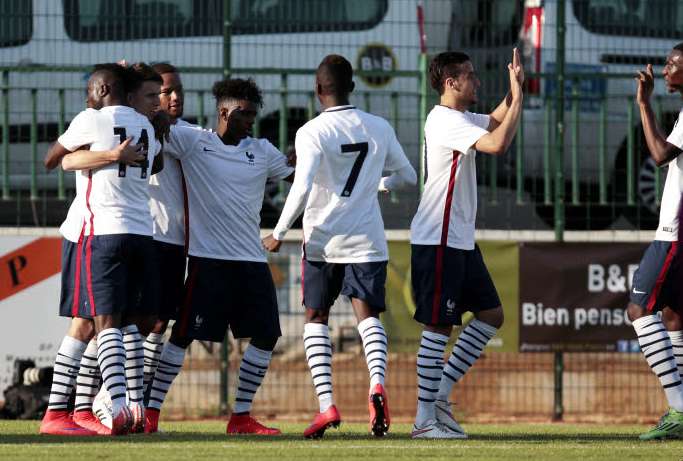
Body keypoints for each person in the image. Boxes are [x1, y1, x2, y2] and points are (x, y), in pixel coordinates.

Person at [262, 54, 417, 438]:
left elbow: (301, 185)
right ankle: (377, 384)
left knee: (316, 318)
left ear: (318, 90)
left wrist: (279, 231)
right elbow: (408, 176)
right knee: (369, 318)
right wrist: (379, 185)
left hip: (322, 242)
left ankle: (327, 406)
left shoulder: (312, 131)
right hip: (367, 240)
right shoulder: (378, 126)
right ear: (352, 87)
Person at [144, 78, 293, 436]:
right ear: (225, 112)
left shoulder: (262, 150)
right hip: (207, 260)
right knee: (181, 335)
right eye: (245, 114)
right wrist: (156, 111)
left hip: (251, 261)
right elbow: (152, 125)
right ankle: (150, 413)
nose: (251, 121)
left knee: (268, 334)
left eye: (254, 115)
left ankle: (240, 416)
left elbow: (297, 174)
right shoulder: (196, 141)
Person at [39, 63, 162, 436]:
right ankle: (110, 407)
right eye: (152, 96)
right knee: (108, 323)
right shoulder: (149, 131)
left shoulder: (92, 119)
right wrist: (112, 156)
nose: (157, 103)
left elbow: (53, 159)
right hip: (140, 233)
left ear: (106, 90)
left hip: (97, 235)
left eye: (90, 90)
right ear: (132, 95)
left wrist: (103, 155)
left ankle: (83, 410)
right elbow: (70, 162)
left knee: (99, 322)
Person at [409, 49, 523, 439]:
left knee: (491, 315)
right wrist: (519, 99)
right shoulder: (444, 120)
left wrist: (514, 87)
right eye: (469, 75)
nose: (476, 81)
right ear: (450, 82)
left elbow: (492, 121)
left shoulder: (458, 119)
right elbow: (497, 144)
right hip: (438, 238)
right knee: (438, 325)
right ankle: (424, 420)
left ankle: (439, 397)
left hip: (457, 240)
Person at [627, 43, 683, 441]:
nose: (664, 69)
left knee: (638, 309)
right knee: (675, 317)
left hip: (674, 235)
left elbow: (661, 153)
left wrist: (644, 104)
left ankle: (680, 407)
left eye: (672, 64)